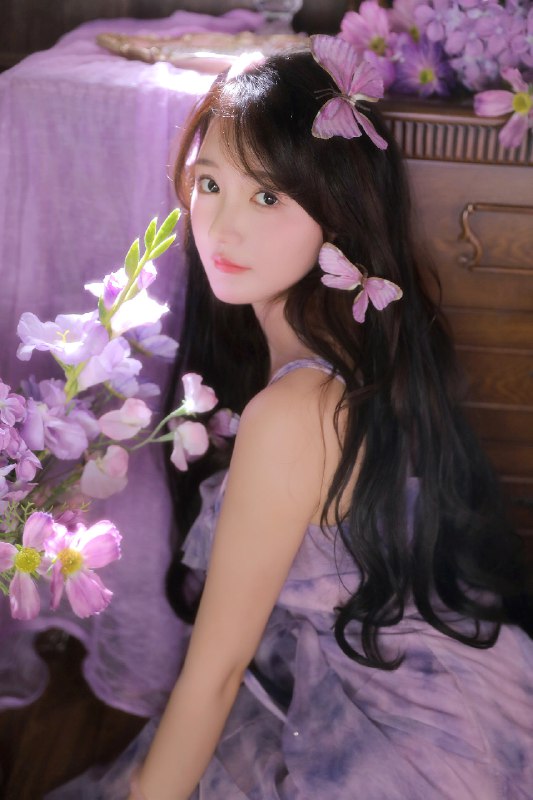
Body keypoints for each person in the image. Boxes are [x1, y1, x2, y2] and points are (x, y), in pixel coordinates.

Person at [47, 36, 533, 800]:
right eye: (209, 183)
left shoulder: (292, 411)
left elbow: (216, 674)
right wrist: (215, 62)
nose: (223, 227)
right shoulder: (355, 338)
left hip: (400, 727)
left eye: (268, 197)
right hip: (431, 673)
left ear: (335, 209)